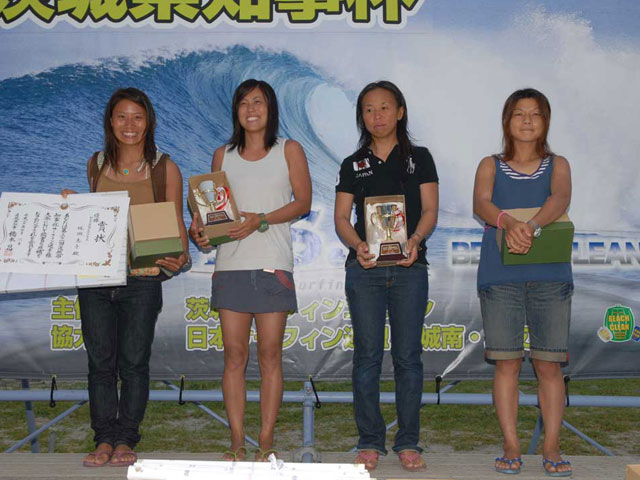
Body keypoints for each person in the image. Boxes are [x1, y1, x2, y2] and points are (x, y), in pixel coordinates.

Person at [61, 87, 190, 467]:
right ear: (110, 121)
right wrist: (71, 206)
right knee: (100, 364)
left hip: (142, 281)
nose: (129, 124)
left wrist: (180, 257)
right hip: (96, 278)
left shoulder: (165, 167)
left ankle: (125, 440)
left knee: (133, 363)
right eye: (121, 116)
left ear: (149, 122)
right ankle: (103, 439)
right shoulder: (96, 163)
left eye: (137, 116)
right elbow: (94, 221)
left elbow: (176, 227)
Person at [190, 79, 311, 462]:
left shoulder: (289, 149)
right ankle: (237, 442)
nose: (251, 109)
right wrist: (200, 229)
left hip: (273, 264)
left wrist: (261, 219)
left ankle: (266, 440)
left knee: (270, 355)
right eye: (243, 103)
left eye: (258, 102)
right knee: (234, 355)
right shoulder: (222, 155)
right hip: (231, 266)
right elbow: (212, 213)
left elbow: (303, 203)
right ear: (236, 111)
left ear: (270, 108)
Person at [334, 81, 439, 472]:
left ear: (400, 111)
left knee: (408, 357)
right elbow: (341, 218)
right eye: (368, 109)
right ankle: (369, 442)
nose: (376, 116)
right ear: (361, 116)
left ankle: (408, 441)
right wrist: (358, 244)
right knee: (367, 357)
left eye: (384, 107)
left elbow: (430, 210)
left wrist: (415, 240)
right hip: (365, 271)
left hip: (411, 269)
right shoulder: (353, 163)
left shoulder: (420, 158)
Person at [473, 88, 573, 477]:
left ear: (545, 121)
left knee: (549, 366)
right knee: (507, 364)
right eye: (519, 113)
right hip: (500, 277)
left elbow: (559, 199)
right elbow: (482, 203)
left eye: (535, 114)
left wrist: (529, 227)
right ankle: (511, 445)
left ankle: (552, 447)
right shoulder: (490, 164)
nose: (527, 120)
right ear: (507, 121)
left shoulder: (558, 164)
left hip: (550, 276)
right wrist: (509, 223)